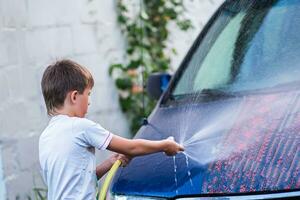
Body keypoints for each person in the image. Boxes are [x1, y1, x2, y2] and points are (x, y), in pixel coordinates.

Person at [39, 59, 184, 200]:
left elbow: (78, 182)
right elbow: (131, 148)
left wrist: (110, 162)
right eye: (88, 94)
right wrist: (165, 145)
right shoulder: (81, 127)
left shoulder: (46, 137)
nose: (89, 102)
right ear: (74, 97)